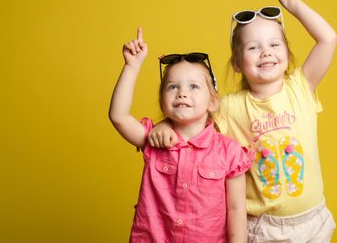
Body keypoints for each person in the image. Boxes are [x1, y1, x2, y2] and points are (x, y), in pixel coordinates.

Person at [149, 0, 337, 242]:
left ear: (286, 53)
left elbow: (328, 39)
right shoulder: (229, 107)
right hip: (261, 227)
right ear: (237, 63)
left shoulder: (300, 88)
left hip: (312, 221)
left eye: (274, 44)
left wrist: (295, 6)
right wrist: (165, 126)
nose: (266, 52)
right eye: (253, 48)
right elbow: (189, 121)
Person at [108, 28, 253, 243]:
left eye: (194, 86)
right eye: (172, 86)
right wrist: (132, 66)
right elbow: (118, 116)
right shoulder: (153, 139)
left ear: (212, 102)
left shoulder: (229, 152)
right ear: (162, 104)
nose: (182, 93)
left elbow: (237, 208)